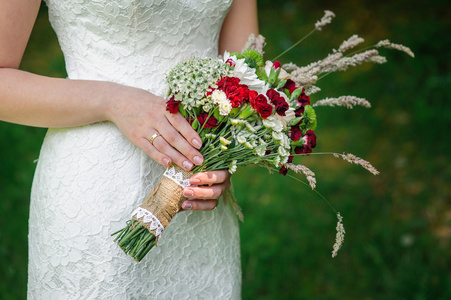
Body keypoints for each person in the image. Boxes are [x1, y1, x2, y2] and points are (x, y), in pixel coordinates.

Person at [0, 0, 258, 298]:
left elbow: (247, 71)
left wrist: (223, 153)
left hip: (197, 201)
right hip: (96, 189)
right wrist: (113, 101)